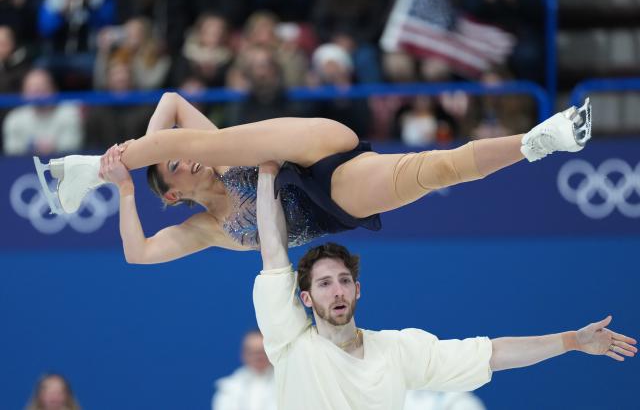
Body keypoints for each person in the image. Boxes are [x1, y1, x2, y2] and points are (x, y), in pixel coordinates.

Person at [251, 163, 637, 410]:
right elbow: (273, 253)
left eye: (343, 281)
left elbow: (492, 355)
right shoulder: (290, 342)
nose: (336, 290)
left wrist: (570, 340)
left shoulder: (398, 351)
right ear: (305, 298)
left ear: (357, 291)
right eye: (324, 284)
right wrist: (267, 170)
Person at [37, 93, 591, 263]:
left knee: (206, 139)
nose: (190, 164)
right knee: (433, 169)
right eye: (176, 172)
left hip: (302, 146)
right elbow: (136, 254)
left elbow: (172, 102)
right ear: (175, 194)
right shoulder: (204, 231)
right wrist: (127, 189)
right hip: (333, 192)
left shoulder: (217, 156)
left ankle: (89, 169)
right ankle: (538, 142)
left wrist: (132, 156)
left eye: (175, 158)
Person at [211, 330, 277, 410]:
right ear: (243, 354)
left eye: (262, 352)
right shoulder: (229, 387)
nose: (258, 357)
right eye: (252, 352)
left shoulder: (285, 382)